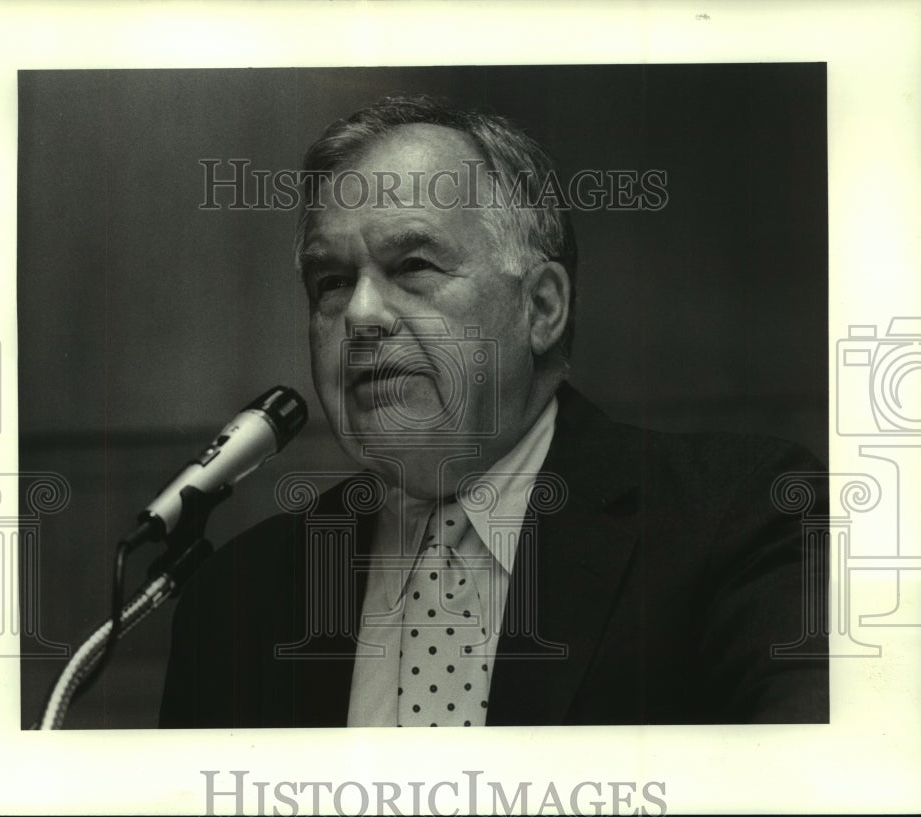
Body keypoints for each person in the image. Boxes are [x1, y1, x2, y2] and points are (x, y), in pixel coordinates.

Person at [159, 95, 828, 728]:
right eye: (331, 282)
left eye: (413, 264)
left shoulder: (737, 517)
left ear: (540, 308)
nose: (360, 314)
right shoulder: (235, 598)